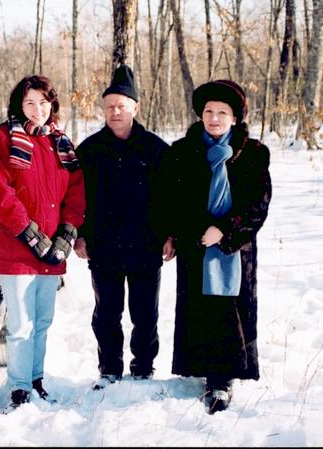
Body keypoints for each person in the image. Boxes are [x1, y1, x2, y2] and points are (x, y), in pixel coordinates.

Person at [162, 79, 272, 414]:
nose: (214, 118)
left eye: (222, 112)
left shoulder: (253, 154)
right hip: (197, 246)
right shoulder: (182, 152)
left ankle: (223, 379)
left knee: (230, 309)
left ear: (235, 118)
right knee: (201, 308)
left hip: (235, 249)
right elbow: (172, 201)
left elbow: (258, 204)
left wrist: (223, 231)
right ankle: (204, 369)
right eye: (209, 111)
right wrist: (197, 231)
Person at [0, 75, 85, 412]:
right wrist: (28, 232)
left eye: (43, 102)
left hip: (51, 251)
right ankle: (19, 387)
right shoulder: (2, 139)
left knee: (42, 320)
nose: (37, 109)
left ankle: (36, 379)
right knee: (22, 323)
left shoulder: (61, 142)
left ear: (51, 104)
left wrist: (67, 233)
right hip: (17, 250)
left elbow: (75, 192)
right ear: (18, 106)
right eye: (29, 103)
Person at [74, 64, 174, 390]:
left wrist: (171, 234)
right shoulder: (89, 151)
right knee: (107, 313)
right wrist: (80, 235)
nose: (115, 112)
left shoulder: (157, 150)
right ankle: (109, 369)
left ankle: (143, 366)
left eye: (121, 106)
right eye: (109, 107)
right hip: (104, 247)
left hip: (147, 245)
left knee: (145, 313)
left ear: (135, 107)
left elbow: (171, 197)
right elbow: (77, 198)